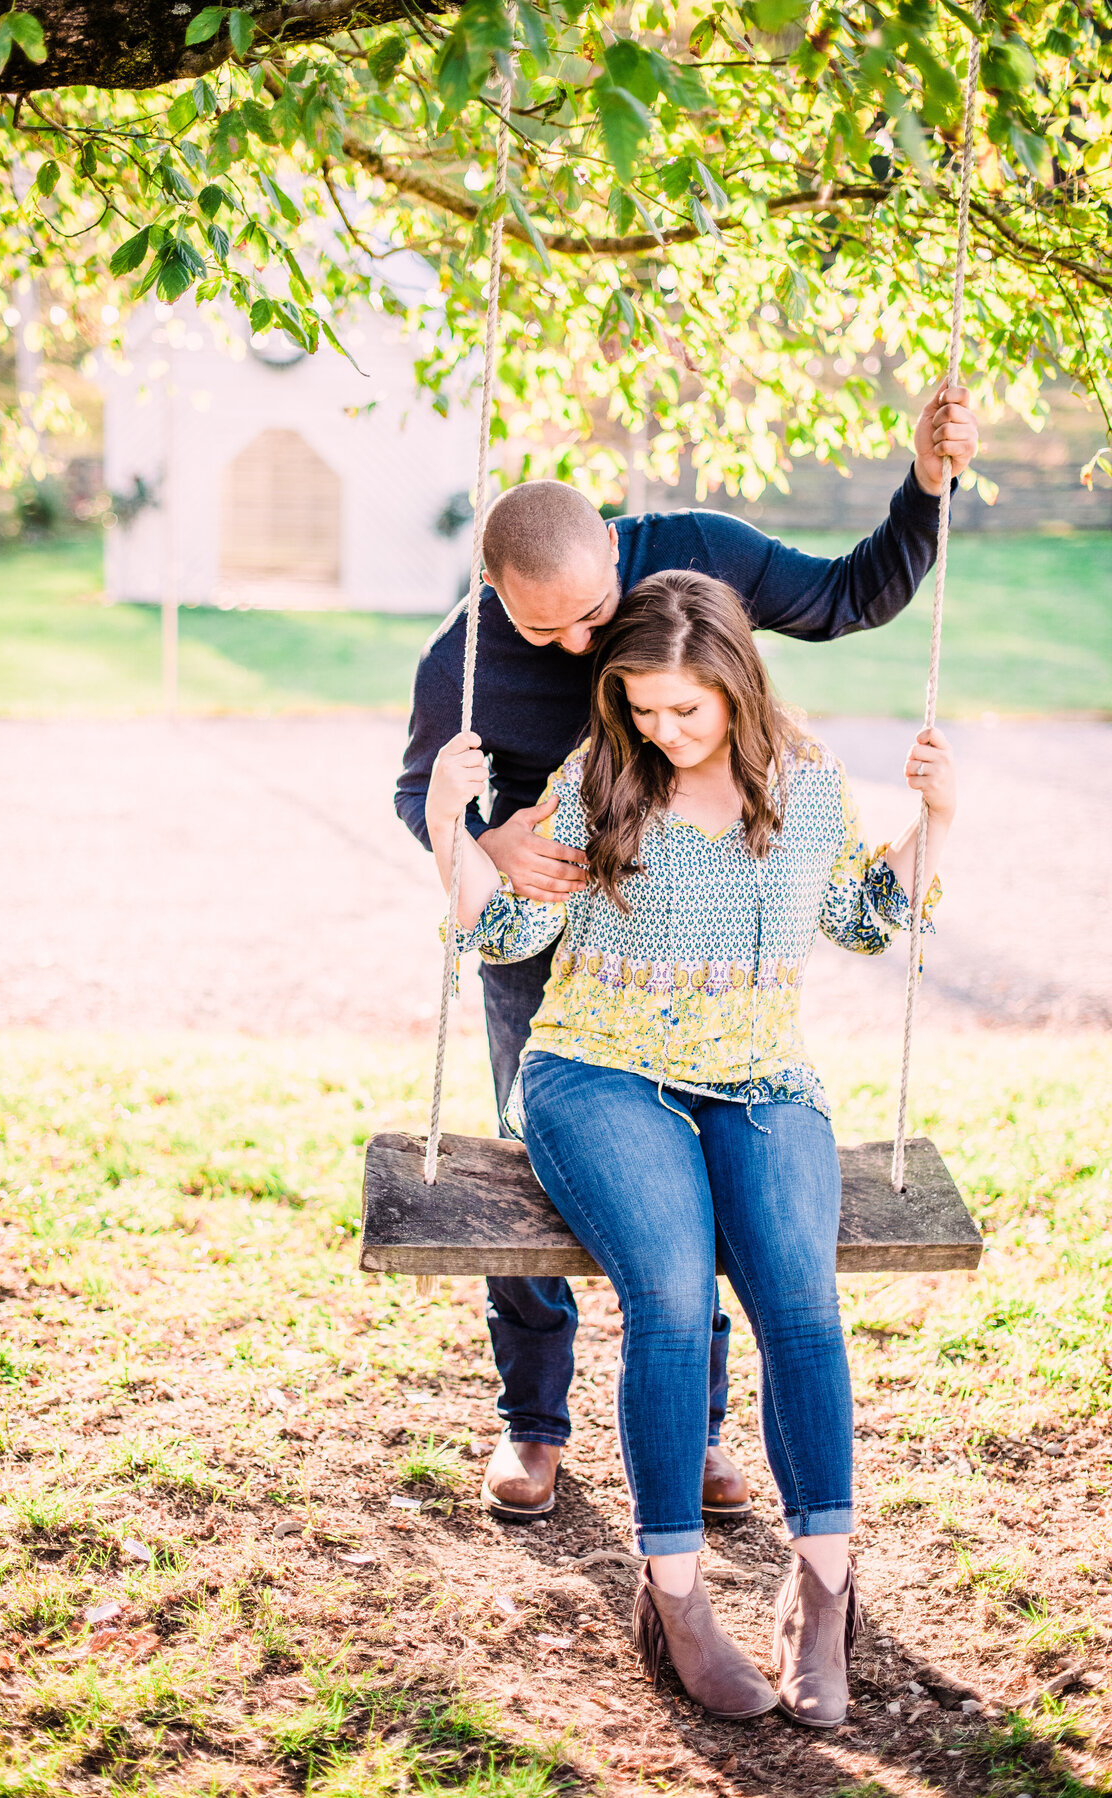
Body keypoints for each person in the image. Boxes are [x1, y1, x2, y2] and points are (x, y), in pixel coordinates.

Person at [395, 381, 978, 1523]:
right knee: (537, 1160)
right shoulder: (461, 655)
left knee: (695, 1185)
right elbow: (421, 789)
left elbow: (855, 593)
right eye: (543, 629)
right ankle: (533, 1416)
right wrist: (484, 835)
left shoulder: (694, 570)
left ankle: (703, 1429)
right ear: (494, 596)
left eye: (590, 616)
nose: (577, 645)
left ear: (616, 553)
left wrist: (927, 483)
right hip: (553, 933)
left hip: (710, 932)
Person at [424, 570, 956, 1727]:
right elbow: (508, 927)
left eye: (686, 711)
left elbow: (868, 918)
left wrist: (937, 821)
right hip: (597, 1074)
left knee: (802, 1306)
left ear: (735, 690)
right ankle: (676, 1601)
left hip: (760, 1077)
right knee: (668, 1293)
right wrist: (446, 827)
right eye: (645, 708)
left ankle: (822, 1593)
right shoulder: (601, 780)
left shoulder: (805, 788)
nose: (662, 731)